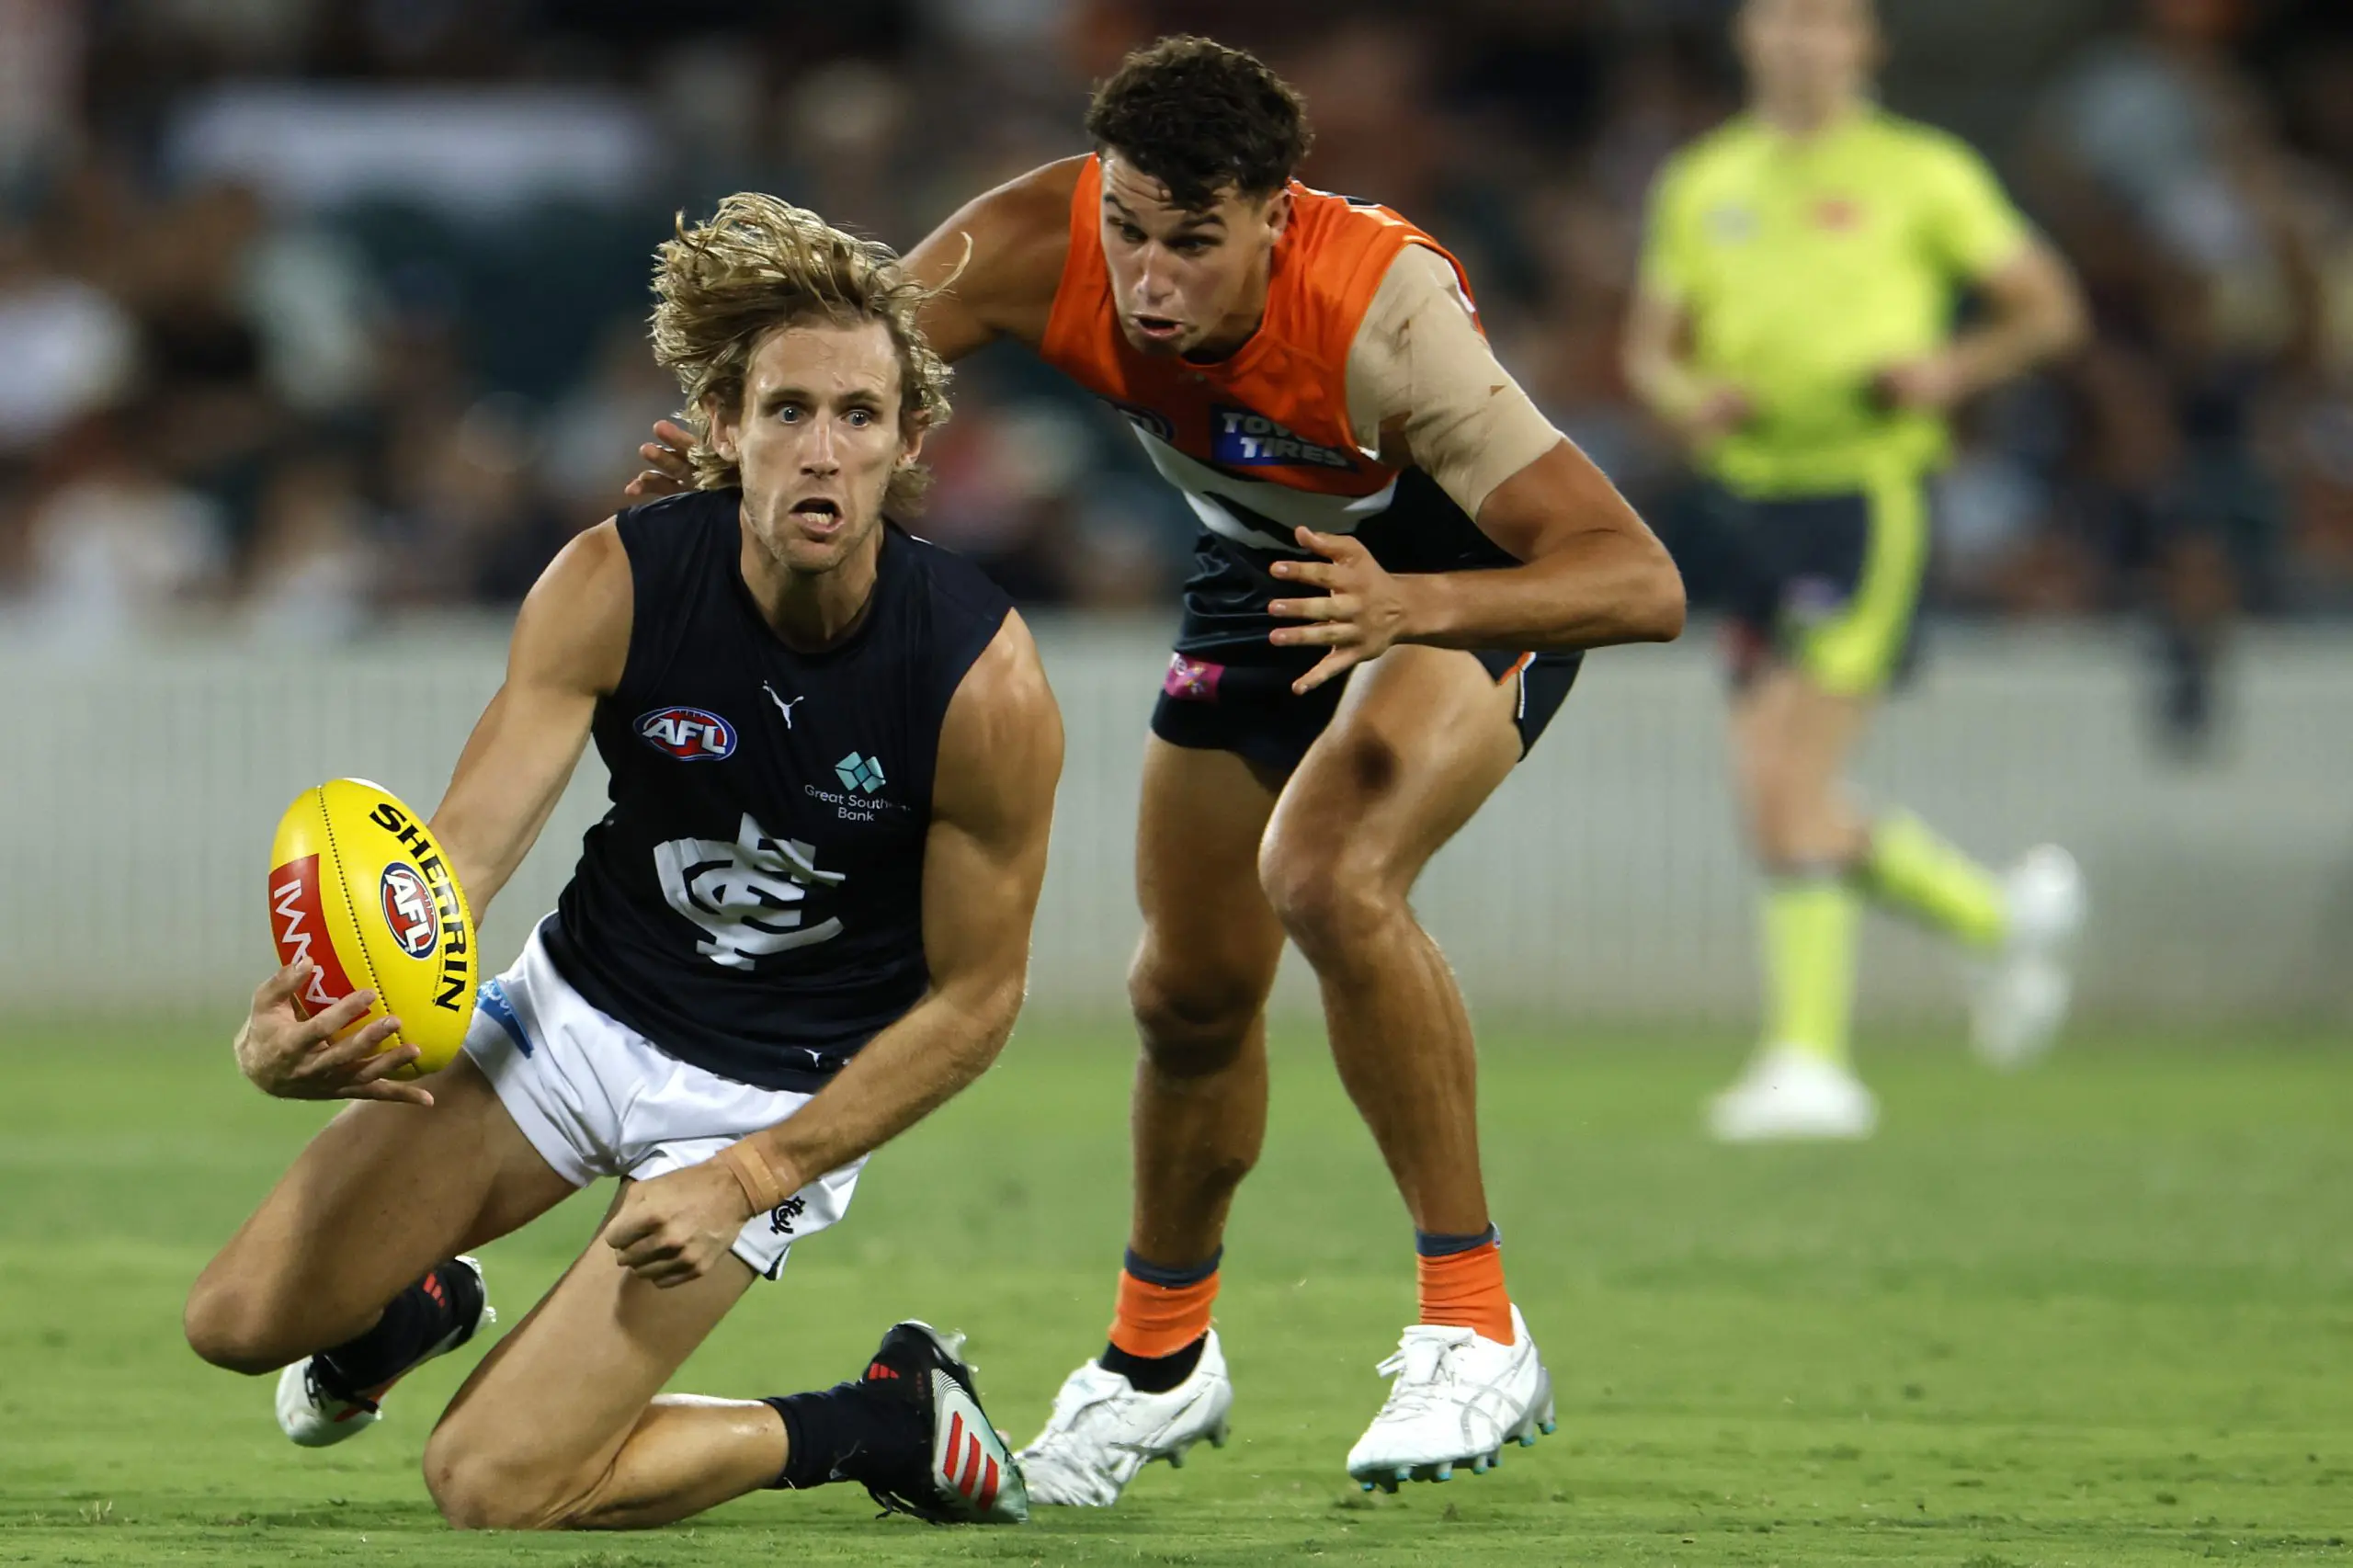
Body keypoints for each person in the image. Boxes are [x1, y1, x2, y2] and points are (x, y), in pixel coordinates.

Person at [632, 34, 1686, 1498]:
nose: (1147, 277)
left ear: (1277, 214)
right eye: (1129, 228)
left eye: (1195, 242)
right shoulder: (1032, 242)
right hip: (1266, 567)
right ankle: (1157, 1360)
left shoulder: (1384, 314)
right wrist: (713, 457)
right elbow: (836, 353)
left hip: (1461, 572)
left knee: (1327, 872)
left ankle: (1473, 1323)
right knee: (1183, 993)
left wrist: (1414, 608)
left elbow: (1637, 580)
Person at [183, 194, 1062, 1530]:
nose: (821, 451)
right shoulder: (616, 579)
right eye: (785, 411)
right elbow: (459, 856)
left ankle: (885, 1417)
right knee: (237, 1320)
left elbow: (975, 1004)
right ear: (722, 423)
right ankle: (422, 1294)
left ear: (910, 441)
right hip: (571, 1016)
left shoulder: (978, 677)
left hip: (768, 1102)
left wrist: (752, 1175)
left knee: (492, 1485)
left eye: (859, 416)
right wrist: (311, 1007)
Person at [1622, 0, 2091, 1142]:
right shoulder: (1703, 180)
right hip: (1744, 502)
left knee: (1784, 787)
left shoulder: (1921, 171)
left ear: (1864, 43)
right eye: (1776, 18)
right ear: (1744, 38)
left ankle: (1813, 1063)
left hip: (1859, 499)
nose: (1795, 39)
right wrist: (1691, 400)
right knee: (1773, 794)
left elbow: (2047, 309)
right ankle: (1995, 918)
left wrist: (1948, 368)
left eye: (1821, 20)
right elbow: (1649, 347)